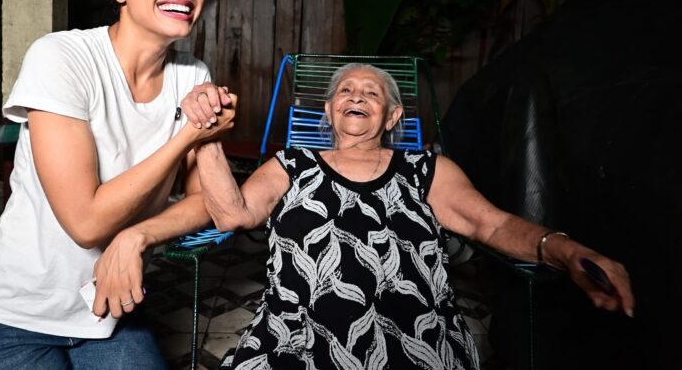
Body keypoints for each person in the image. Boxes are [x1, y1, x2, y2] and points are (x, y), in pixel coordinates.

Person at [193, 63, 635, 370]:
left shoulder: (429, 169)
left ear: (393, 116)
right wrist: (207, 135)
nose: (356, 96)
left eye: (372, 93)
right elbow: (233, 214)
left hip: (415, 342)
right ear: (328, 112)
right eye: (345, 90)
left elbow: (493, 224)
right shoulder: (290, 164)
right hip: (298, 341)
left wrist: (565, 249)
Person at [0, 0, 234, 369]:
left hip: (110, 309)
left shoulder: (193, 75)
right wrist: (188, 135)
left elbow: (212, 203)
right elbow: (85, 223)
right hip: (12, 315)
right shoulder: (62, 58)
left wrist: (138, 236)